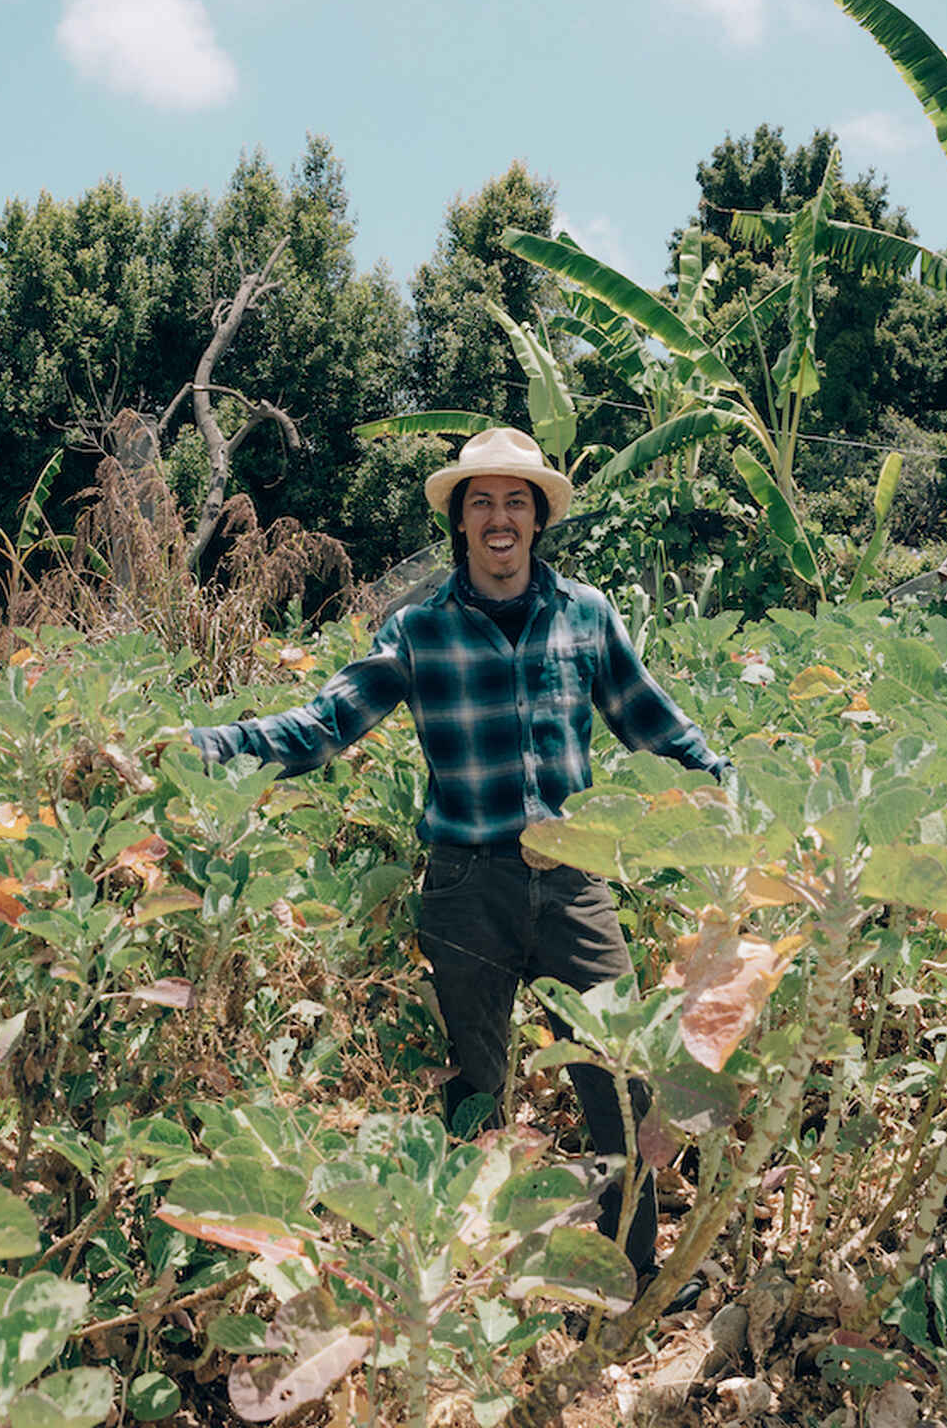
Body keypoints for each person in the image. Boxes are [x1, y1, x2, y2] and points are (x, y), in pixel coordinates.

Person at [177, 427, 728, 1287]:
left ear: (538, 519)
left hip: (574, 878)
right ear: (461, 524)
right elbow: (322, 727)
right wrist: (202, 746)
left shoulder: (587, 614)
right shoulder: (418, 629)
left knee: (618, 1078)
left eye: (516, 501)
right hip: (468, 884)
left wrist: (733, 784)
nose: (500, 518)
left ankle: (634, 1269)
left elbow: (657, 726)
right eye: (482, 503)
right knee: (475, 1087)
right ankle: (473, 1281)